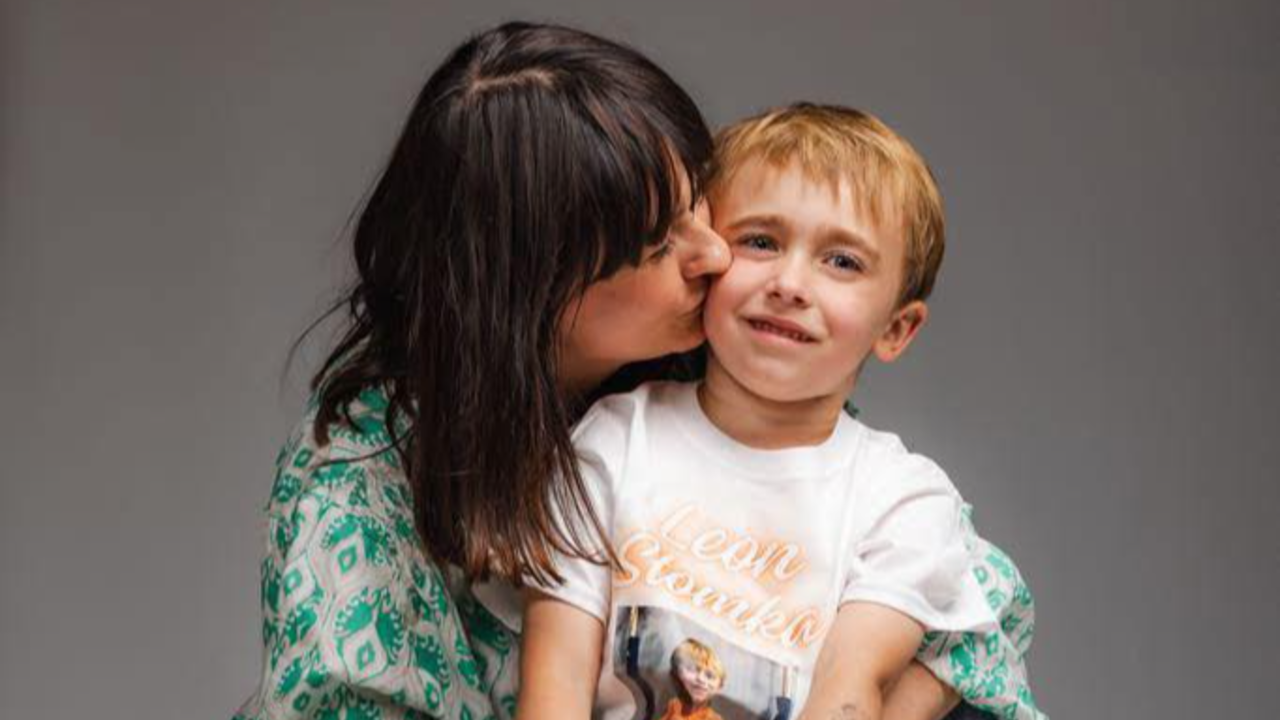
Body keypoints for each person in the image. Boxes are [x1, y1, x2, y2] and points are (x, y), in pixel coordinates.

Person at [235, 22, 1034, 720]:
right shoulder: (359, 484)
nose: (715, 254)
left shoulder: (712, 372)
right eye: (661, 244)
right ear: (536, 291)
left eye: (699, 206)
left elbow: (975, 604)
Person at [513, 105, 1044, 720]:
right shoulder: (612, 440)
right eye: (760, 242)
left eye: (842, 261)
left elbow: (848, 697)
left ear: (896, 328)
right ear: (710, 257)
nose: (790, 283)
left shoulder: (904, 502)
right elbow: (553, 685)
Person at [658, 639, 727, 720]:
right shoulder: (674, 705)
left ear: (719, 686)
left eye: (709, 676)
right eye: (693, 670)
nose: (701, 679)